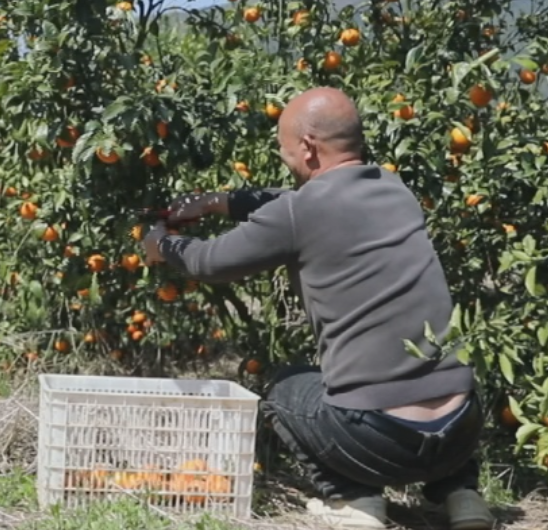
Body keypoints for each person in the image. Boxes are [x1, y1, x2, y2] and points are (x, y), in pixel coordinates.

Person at [142, 87, 493, 530]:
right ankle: (462, 497)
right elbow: (295, 202)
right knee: (434, 372)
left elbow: (208, 261)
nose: (285, 159)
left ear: (307, 147)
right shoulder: (395, 188)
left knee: (286, 386)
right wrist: (219, 201)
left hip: (377, 440)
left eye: (285, 150)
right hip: (463, 429)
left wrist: (162, 244)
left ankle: (353, 499)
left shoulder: (299, 212)